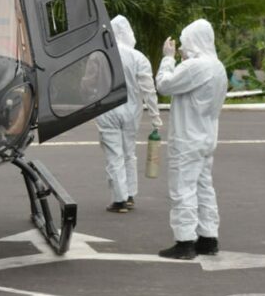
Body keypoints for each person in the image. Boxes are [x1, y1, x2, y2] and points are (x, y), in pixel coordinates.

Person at [155, 19, 228, 260]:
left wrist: (167, 59)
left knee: (182, 188)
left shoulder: (195, 66)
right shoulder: (217, 67)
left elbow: (164, 85)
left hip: (187, 138)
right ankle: (208, 238)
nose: (182, 48)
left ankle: (185, 241)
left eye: (184, 43)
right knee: (204, 187)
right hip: (207, 137)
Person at [98, 15, 162, 213]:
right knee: (129, 153)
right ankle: (130, 194)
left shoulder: (101, 55)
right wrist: (155, 116)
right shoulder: (139, 57)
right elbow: (148, 90)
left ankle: (119, 200)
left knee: (114, 155)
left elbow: (89, 83)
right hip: (132, 112)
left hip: (107, 111)